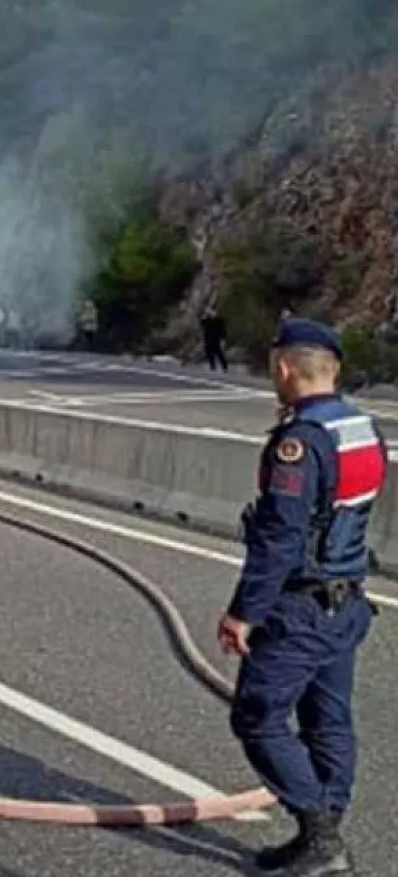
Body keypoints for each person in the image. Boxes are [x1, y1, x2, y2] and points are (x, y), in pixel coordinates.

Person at [218, 318, 383, 876]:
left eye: (274, 369)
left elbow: (281, 539)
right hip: (347, 600)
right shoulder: (361, 427)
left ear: (284, 368)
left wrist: (245, 612)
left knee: (257, 717)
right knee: (327, 721)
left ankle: (321, 835)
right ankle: (322, 830)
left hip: (302, 608)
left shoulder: (300, 442)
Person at [202, 303, 228, 372]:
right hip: (208, 338)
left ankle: (224, 366)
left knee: (219, 353)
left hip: (216, 339)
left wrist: (223, 339)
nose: (210, 313)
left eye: (211, 311)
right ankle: (212, 366)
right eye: (209, 311)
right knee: (209, 352)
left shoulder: (219, 320)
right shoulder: (207, 320)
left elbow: (222, 330)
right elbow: (202, 324)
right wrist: (205, 316)